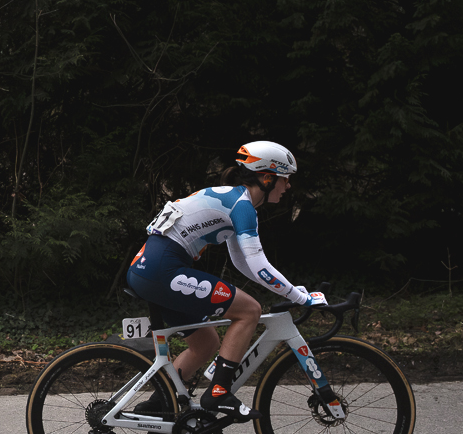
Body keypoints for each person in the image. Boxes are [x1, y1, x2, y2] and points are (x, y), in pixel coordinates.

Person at [125, 141, 326, 419]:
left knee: (205, 343)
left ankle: (159, 406)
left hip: (150, 269)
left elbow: (242, 262)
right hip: (163, 270)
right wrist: (299, 297)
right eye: (285, 180)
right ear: (266, 178)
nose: (288, 187)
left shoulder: (235, 200)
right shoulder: (242, 207)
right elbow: (259, 265)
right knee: (249, 311)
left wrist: (293, 291)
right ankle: (218, 393)